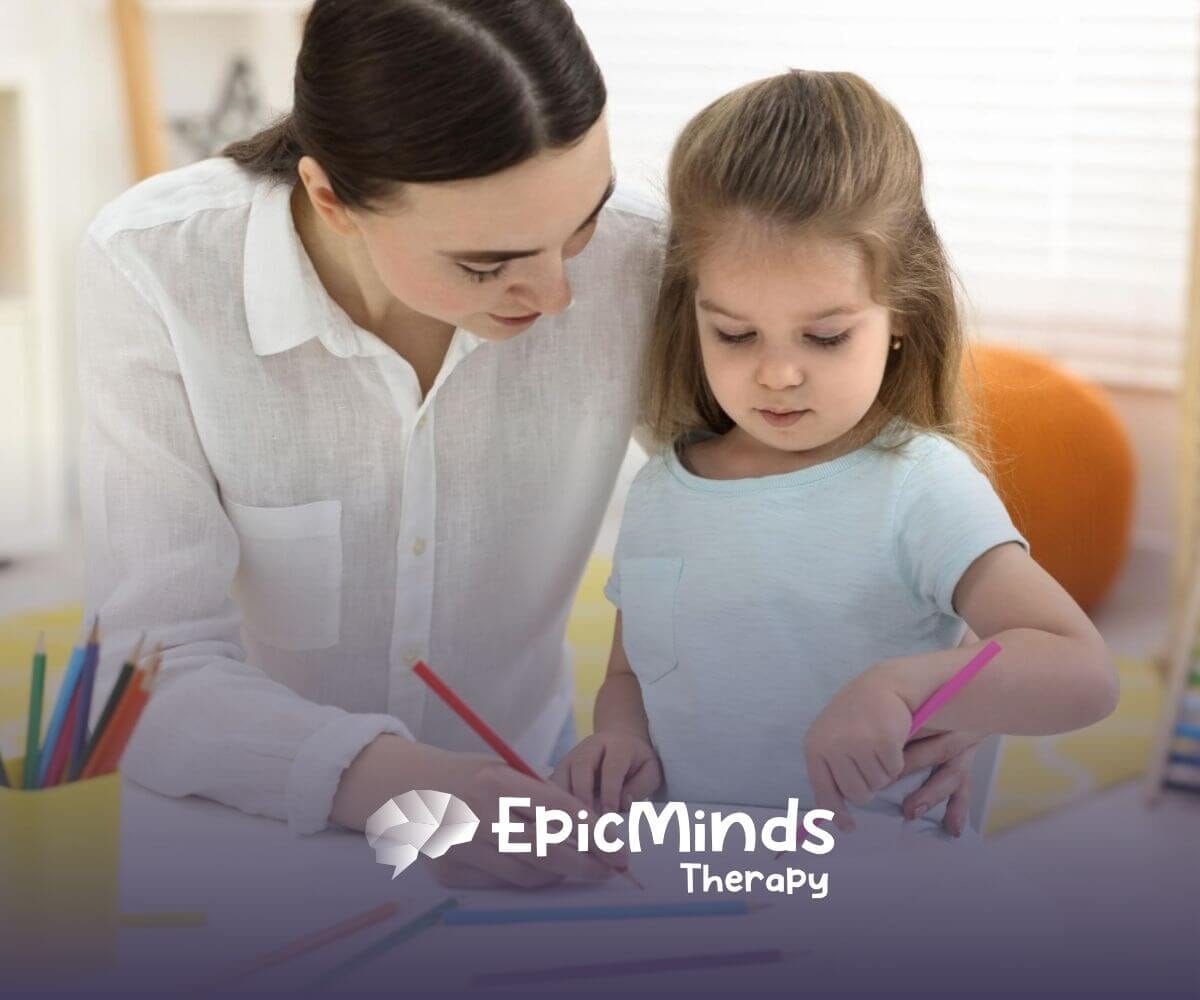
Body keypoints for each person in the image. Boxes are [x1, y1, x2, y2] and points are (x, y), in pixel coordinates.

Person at [77, 1, 978, 890]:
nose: (555, 296)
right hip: (248, 815)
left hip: (537, 800)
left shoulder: (636, 256)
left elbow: (824, 505)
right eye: (487, 265)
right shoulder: (158, 266)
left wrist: (952, 695)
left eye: (580, 223)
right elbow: (148, 672)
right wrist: (408, 786)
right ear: (331, 199)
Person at [552, 70, 1119, 836]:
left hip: (871, 895)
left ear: (900, 316)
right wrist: (622, 739)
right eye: (734, 332)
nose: (778, 373)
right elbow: (630, 674)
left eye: (825, 337)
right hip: (693, 871)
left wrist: (906, 687)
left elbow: (1080, 671)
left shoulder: (918, 486)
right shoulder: (661, 489)